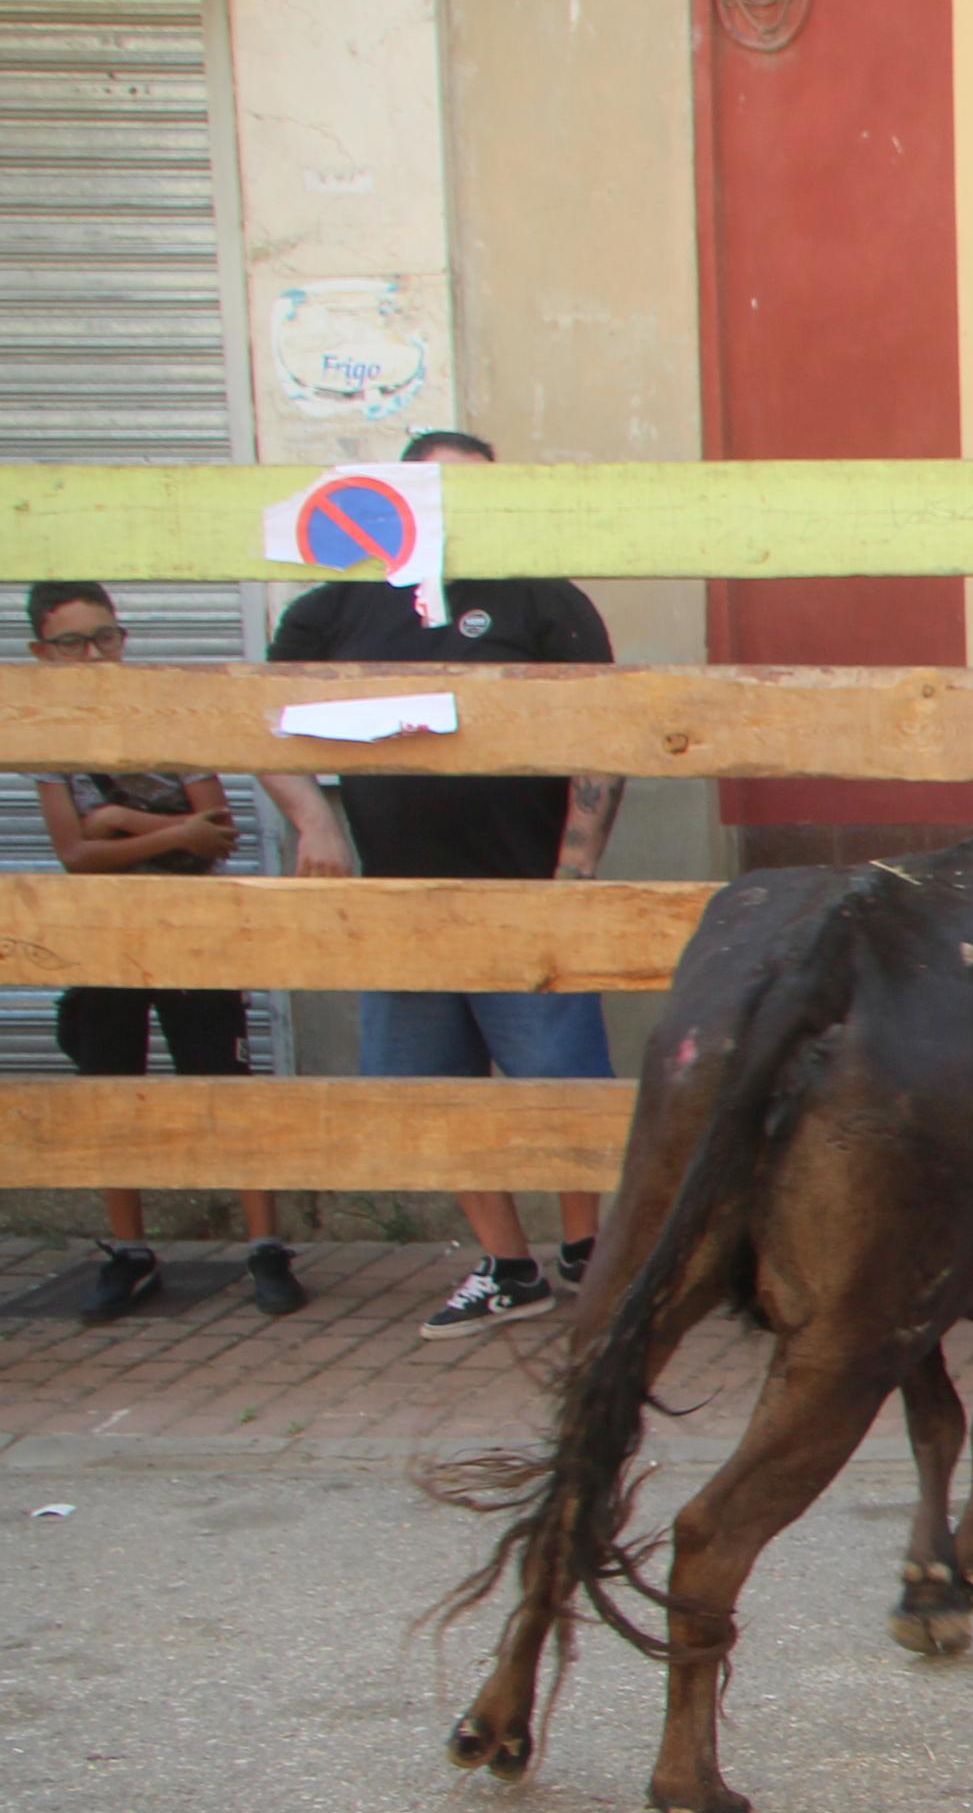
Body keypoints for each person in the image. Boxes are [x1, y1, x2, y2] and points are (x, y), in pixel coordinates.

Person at [252, 430, 623, 1339]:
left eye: (480, 495)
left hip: (521, 896)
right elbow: (257, 721)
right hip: (400, 903)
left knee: (559, 1088)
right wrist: (314, 820)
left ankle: (589, 1252)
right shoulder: (334, 609)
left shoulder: (545, 599)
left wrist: (572, 876)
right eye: (442, 492)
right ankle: (506, 1265)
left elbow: (607, 742)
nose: (461, 512)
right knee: (433, 1091)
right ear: (399, 497)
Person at [25, 581, 304, 1322]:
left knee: (224, 1083)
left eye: (106, 637)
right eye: (73, 644)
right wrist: (155, 831)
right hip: (103, 932)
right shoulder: (47, 738)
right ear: (40, 655)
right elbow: (73, 854)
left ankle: (265, 1243)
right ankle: (128, 1250)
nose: (95, 656)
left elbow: (212, 831)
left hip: (191, 926)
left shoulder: (165, 714)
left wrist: (120, 824)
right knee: (111, 1084)